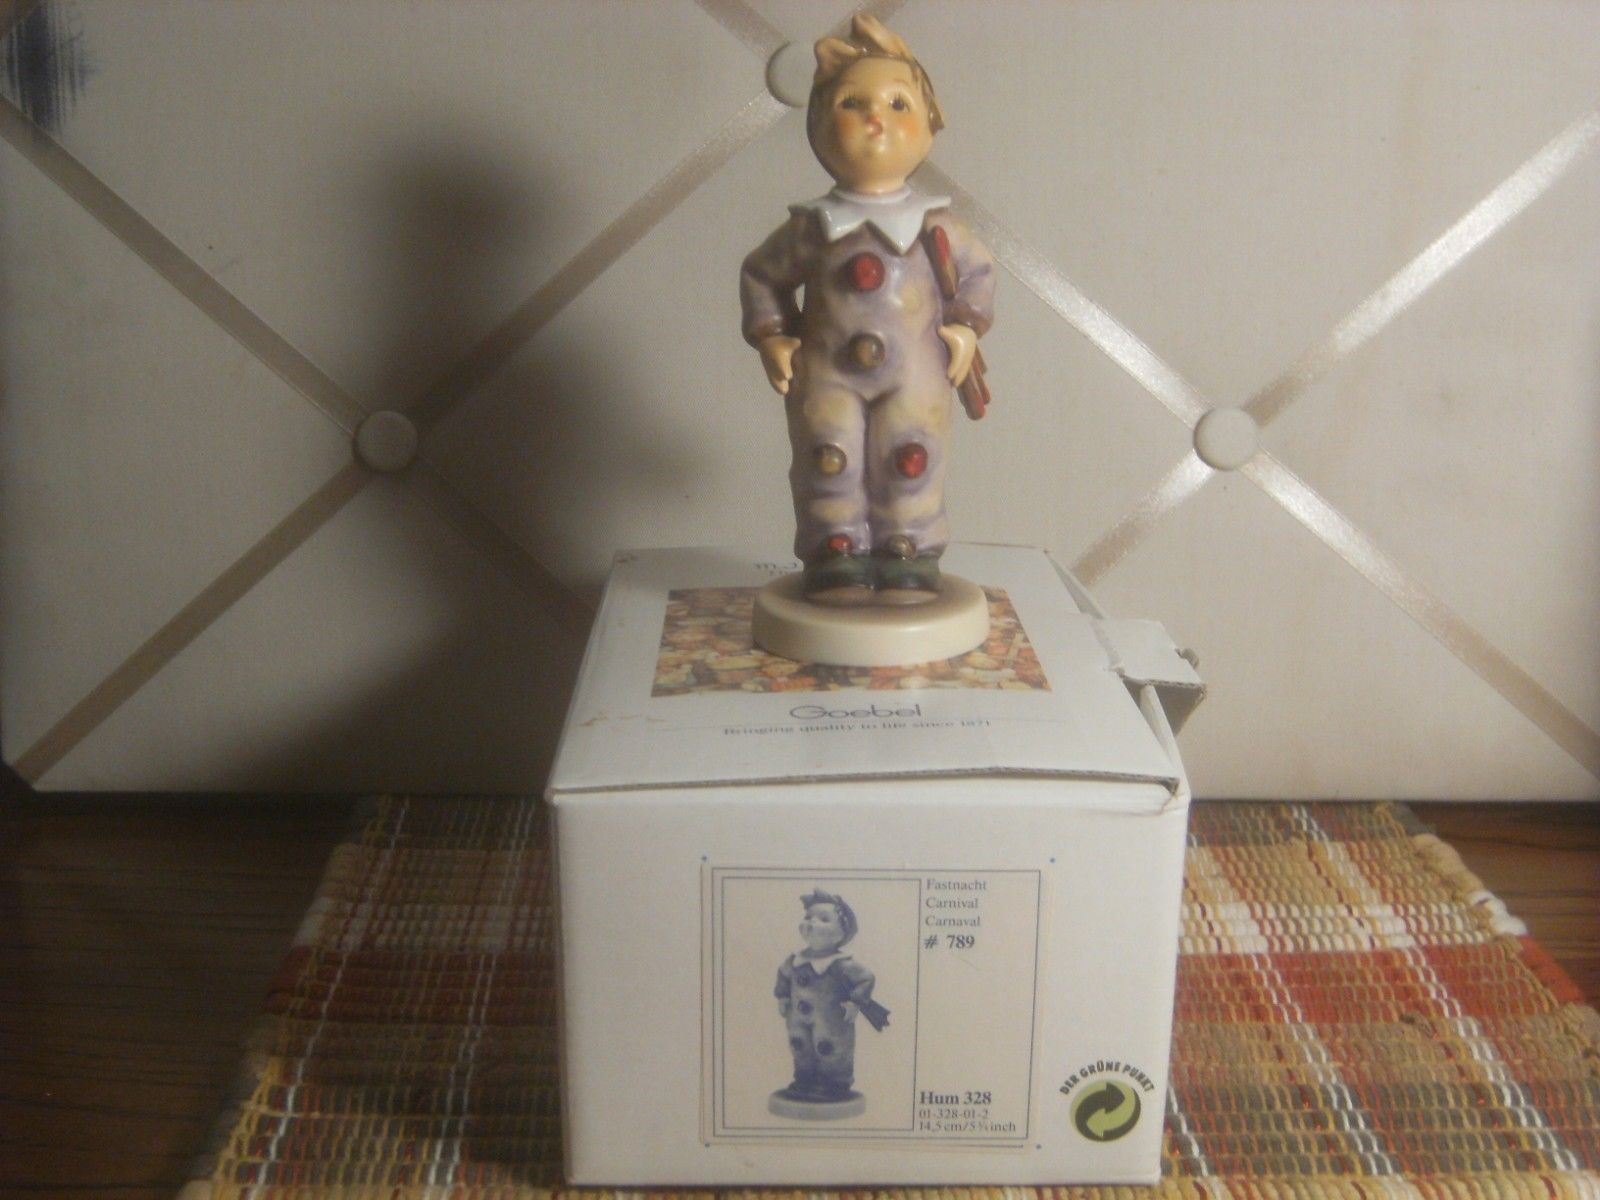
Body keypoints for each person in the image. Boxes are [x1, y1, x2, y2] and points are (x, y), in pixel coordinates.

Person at [741, 14, 995, 605]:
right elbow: (763, 275)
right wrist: (773, 335)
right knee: (828, 456)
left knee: (912, 454)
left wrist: (965, 327)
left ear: (930, 124)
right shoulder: (812, 228)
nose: (875, 117)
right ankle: (837, 552)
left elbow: (979, 274)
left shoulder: (936, 226)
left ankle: (908, 550)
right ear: (818, 123)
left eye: (898, 103)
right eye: (852, 103)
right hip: (826, 371)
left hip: (917, 372)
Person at [773, 889, 888, 1110]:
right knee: (800, 1044)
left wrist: (855, 1001)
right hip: (797, 1019)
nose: (812, 922)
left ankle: (834, 1084)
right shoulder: (795, 960)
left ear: (841, 933)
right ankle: (804, 1079)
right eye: (808, 917)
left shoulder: (842, 964)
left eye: (823, 919)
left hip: (832, 1021)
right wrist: (783, 996)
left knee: (830, 1048)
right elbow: (784, 976)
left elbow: (866, 979)